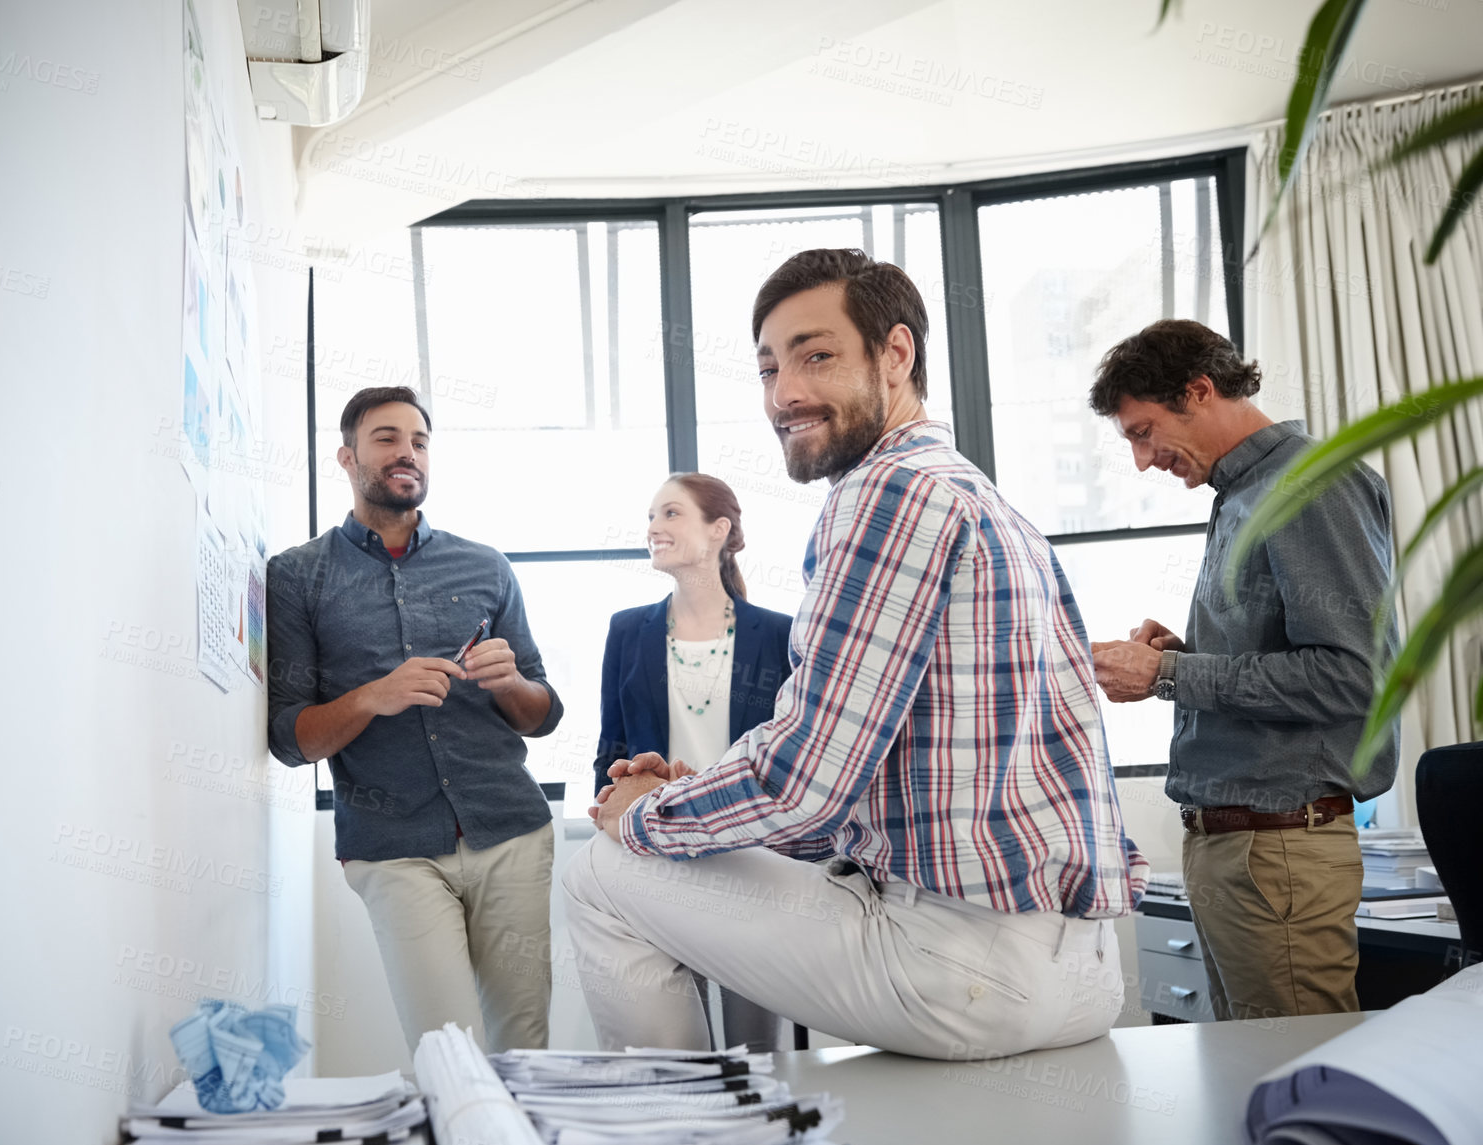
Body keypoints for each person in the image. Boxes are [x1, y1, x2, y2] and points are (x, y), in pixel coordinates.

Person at [563, 249, 1146, 1061]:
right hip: (1080, 970)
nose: (784, 394)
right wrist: (704, 800)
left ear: (896, 355)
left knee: (600, 872)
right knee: (675, 847)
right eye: (769, 368)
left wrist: (644, 816)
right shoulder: (984, 499)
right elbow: (855, 782)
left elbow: (803, 784)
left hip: (964, 968)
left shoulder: (885, 492)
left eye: (816, 355)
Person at [1086, 319, 1397, 1022]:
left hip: (1279, 851)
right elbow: (1285, 659)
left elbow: (1353, 678)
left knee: (1296, 1087)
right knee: (1250, 1087)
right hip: (1241, 851)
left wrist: (1168, 678)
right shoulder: (1245, 493)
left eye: (1143, 432)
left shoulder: (1310, 485)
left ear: (1198, 390)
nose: (1141, 461)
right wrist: (1183, 657)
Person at [266, 386, 564, 1053]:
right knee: (446, 1050)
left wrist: (512, 681)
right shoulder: (296, 578)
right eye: (387, 439)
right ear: (347, 457)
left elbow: (542, 714)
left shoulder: (485, 566)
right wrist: (374, 696)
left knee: (524, 1047)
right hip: (392, 846)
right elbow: (291, 740)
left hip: (509, 830)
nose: (408, 453)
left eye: (420, 441)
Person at [595, 473, 795, 1051]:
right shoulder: (627, 630)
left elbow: (789, 757)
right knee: (671, 1042)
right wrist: (610, 816)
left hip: (753, 856)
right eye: (651, 516)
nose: (654, 527)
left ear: (719, 530)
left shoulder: (780, 636)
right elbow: (611, 750)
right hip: (659, 853)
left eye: (671, 514)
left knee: (763, 1049)